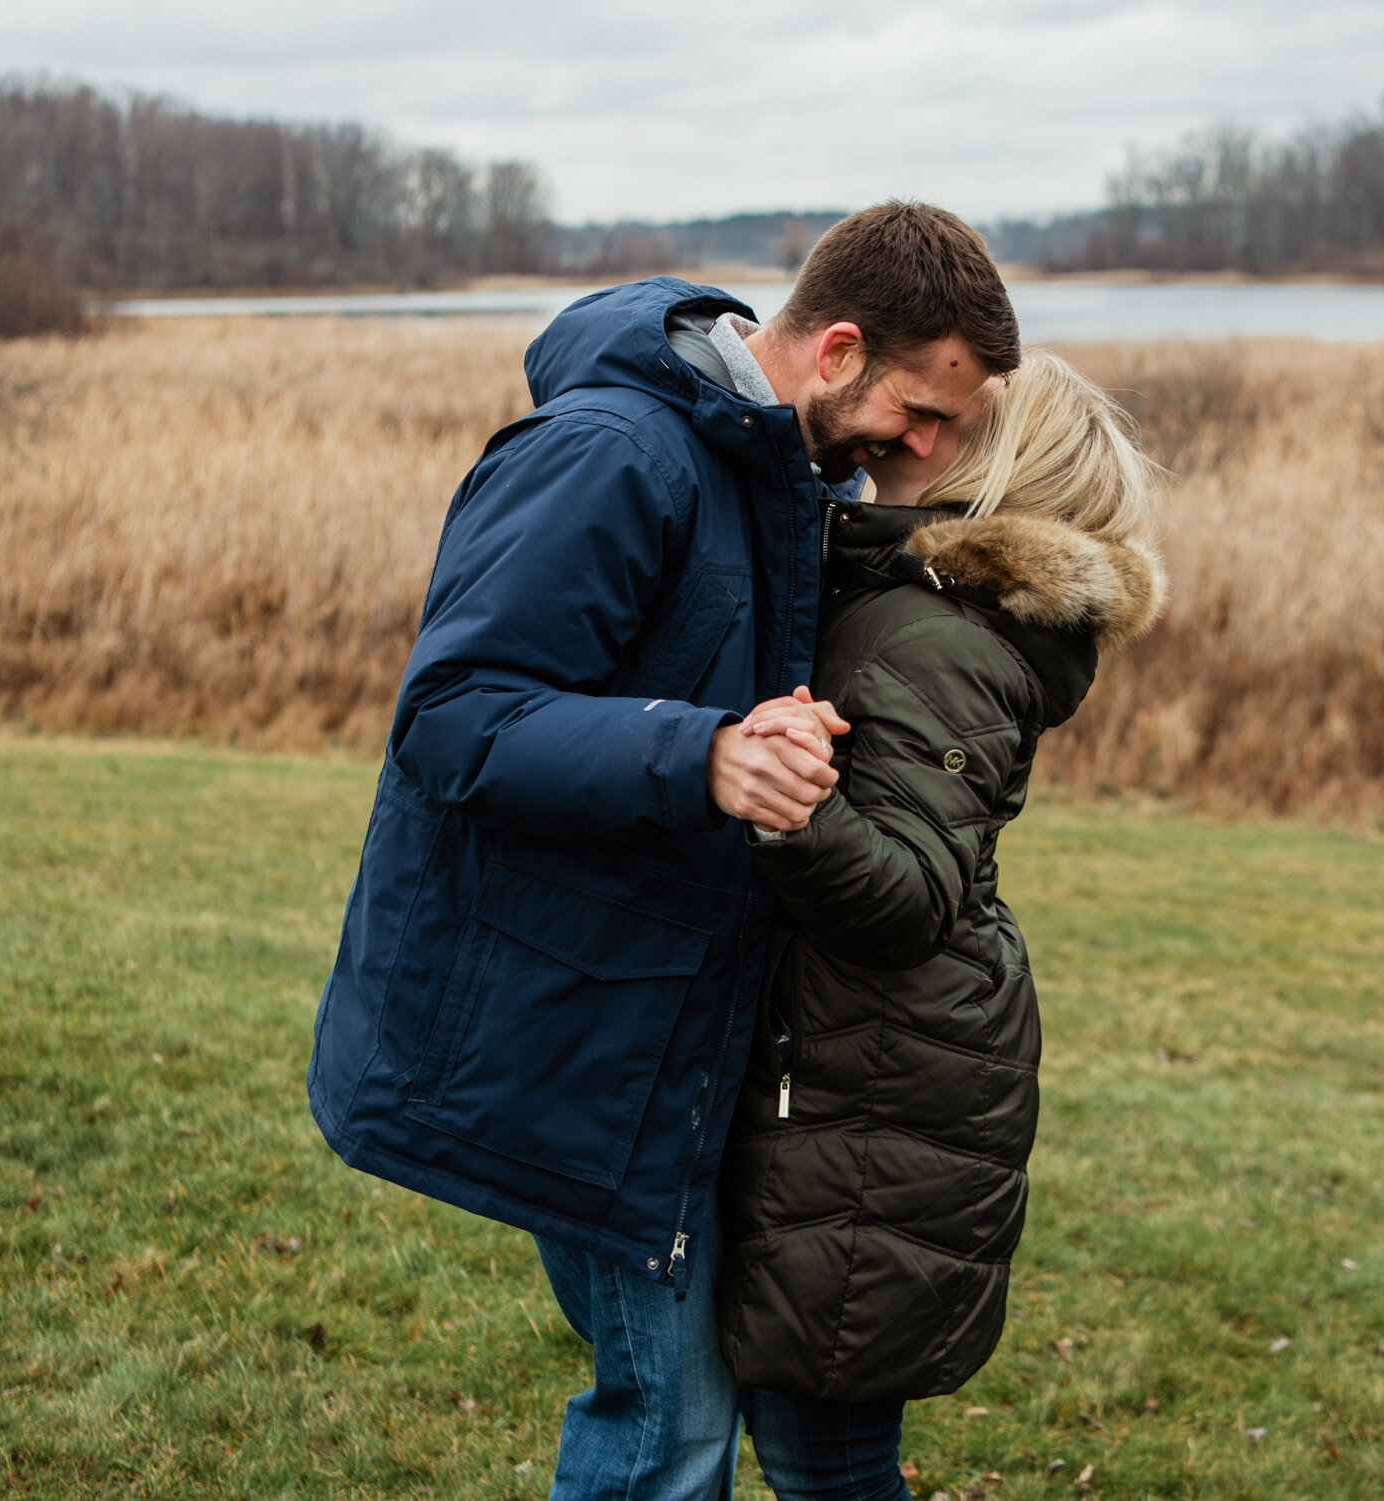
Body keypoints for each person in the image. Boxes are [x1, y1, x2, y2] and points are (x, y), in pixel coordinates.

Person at [306, 202, 1021, 1501]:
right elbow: (452, 718)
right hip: (580, 1029)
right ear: (837, 348)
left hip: (673, 1034)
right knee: (666, 1435)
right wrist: (705, 756)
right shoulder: (612, 453)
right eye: (921, 412)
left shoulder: (778, 471)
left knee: (681, 1424)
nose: (922, 454)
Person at [713, 351, 1168, 1499]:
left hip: (879, 1078)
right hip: (878, 1059)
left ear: (995, 471)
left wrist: (787, 799)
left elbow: (909, 891)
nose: (909, 436)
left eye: (944, 424)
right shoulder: (920, 609)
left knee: (829, 1457)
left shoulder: (937, 638)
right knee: (820, 1439)